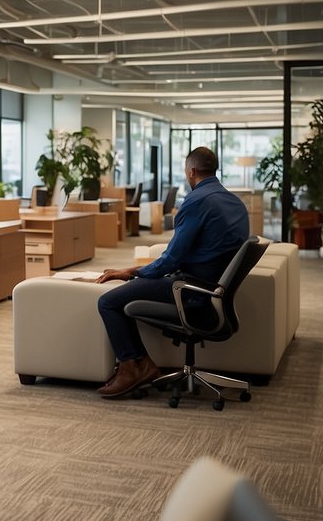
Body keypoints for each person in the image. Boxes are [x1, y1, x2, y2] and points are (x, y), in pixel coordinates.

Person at [93, 146, 250, 398]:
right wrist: (134, 270)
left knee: (108, 301)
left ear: (192, 171)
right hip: (211, 290)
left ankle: (132, 367)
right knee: (125, 293)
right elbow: (187, 254)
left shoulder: (196, 201)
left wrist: (132, 274)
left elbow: (170, 260)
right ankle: (140, 365)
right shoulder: (235, 203)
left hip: (189, 291)